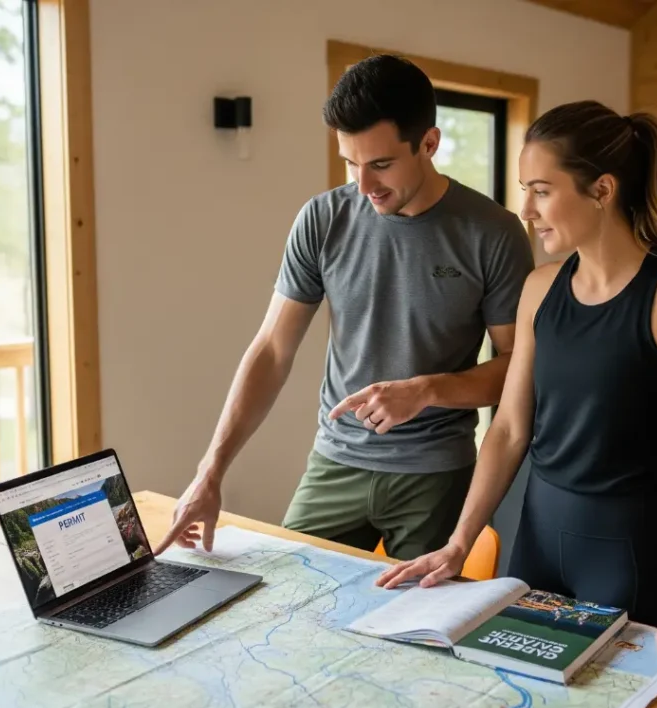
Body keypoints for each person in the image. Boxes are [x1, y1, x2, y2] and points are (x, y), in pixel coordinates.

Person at [376, 100, 657, 686]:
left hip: (627, 552)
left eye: (542, 191)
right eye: (526, 190)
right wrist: (458, 543)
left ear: (601, 189)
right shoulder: (539, 288)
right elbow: (508, 428)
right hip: (537, 541)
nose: (526, 211)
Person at [154, 55, 535, 561]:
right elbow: (271, 349)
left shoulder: (493, 232)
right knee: (286, 602)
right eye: (350, 162)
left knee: (415, 628)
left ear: (429, 143)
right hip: (335, 462)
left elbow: (517, 370)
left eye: (380, 164)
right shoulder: (323, 218)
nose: (363, 185)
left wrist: (426, 390)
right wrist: (210, 471)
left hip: (436, 473)